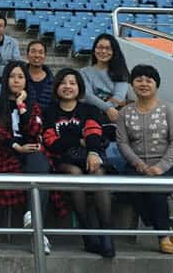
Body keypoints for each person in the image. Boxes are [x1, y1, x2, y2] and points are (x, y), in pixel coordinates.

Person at [43, 68, 115, 258]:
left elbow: (93, 133)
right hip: (62, 162)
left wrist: (92, 150)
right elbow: (51, 142)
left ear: (79, 87)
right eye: (63, 83)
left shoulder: (89, 109)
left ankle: (106, 234)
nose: (67, 87)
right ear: (56, 87)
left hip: (89, 156)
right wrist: (79, 140)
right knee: (74, 173)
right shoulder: (49, 112)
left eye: (72, 83)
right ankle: (87, 233)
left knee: (98, 172)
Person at [0, 61, 53, 255]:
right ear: (6, 80)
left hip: (29, 153)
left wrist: (22, 106)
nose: (16, 80)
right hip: (5, 154)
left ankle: (33, 220)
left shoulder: (32, 106)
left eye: (21, 77)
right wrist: (17, 146)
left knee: (39, 162)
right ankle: (39, 233)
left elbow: (34, 131)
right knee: (37, 168)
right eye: (12, 76)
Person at [117, 65, 173, 254]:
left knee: (155, 189)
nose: (144, 84)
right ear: (132, 84)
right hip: (137, 166)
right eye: (139, 80)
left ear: (156, 85)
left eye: (149, 80)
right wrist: (138, 163)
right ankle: (167, 227)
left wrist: (161, 167)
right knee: (132, 188)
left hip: (170, 166)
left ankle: (162, 237)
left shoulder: (169, 109)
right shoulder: (125, 112)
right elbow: (122, 143)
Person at [80, 33, 130, 173]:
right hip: (92, 116)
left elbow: (119, 97)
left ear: (114, 51)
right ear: (94, 49)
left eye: (108, 48)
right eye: (100, 47)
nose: (103, 51)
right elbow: (87, 95)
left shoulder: (121, 72)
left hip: (115, 117)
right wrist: (108, 108)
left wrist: (108, 108)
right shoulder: (84, 72)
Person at [26, 40, 54, 111]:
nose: (37, 55)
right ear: (27, 55)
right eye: (33, 51)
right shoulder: (20, 77)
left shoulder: (53, 81)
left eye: (41, 52)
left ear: (45, 56)